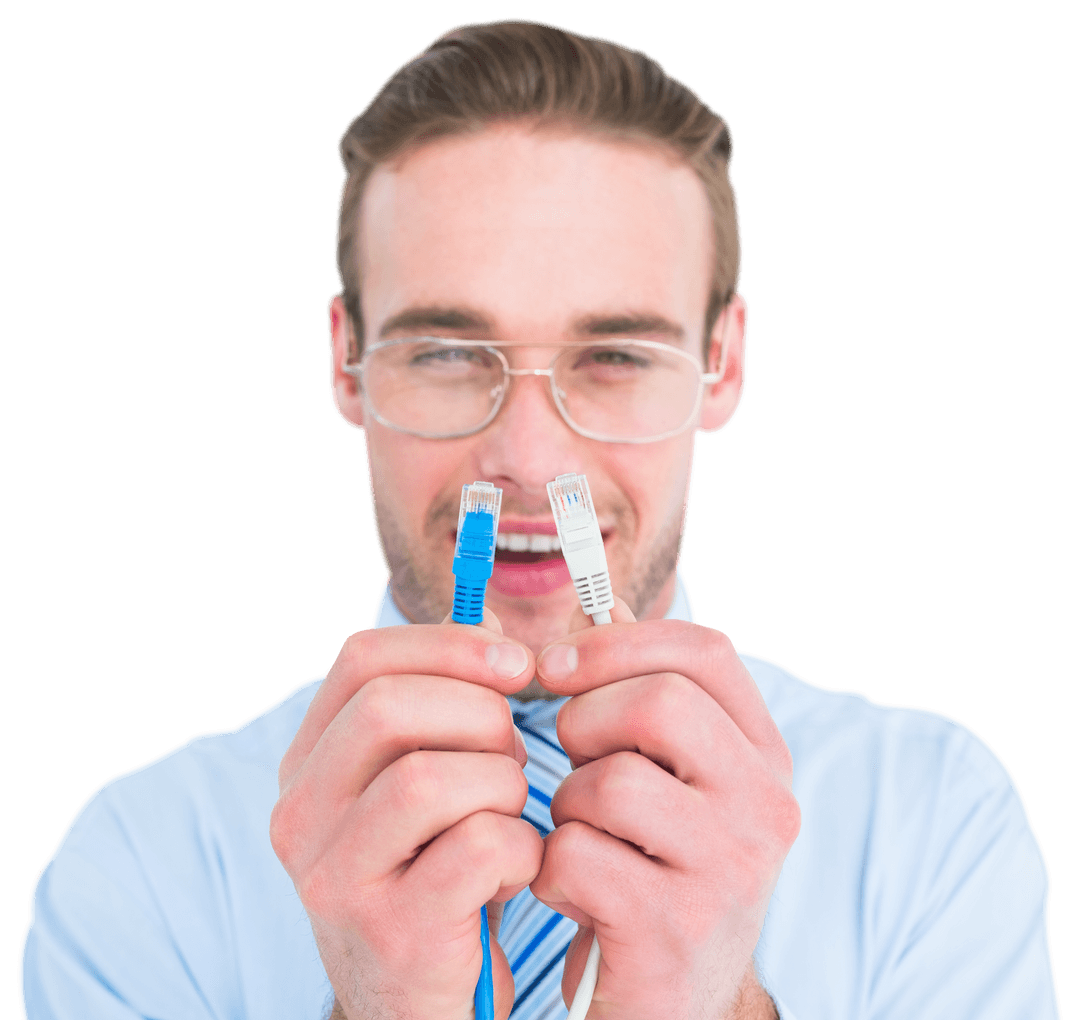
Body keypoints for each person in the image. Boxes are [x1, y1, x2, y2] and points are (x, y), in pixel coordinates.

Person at [19, 18, 1060, 1020]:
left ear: (722, 365)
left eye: (614, 356)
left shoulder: (933, 826)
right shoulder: (137, 871)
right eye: (446, 353)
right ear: (346, 364)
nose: (527, 460)